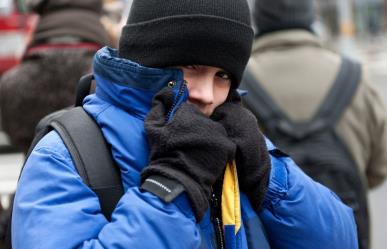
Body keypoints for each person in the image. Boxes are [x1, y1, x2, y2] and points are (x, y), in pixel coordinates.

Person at [12, 1, 357, 249]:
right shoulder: (64, 154)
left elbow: (341, 240)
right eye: (191, 68)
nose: (207, 93)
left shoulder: (230, 134)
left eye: (223, 75)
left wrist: (270, 175)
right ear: (146, 59)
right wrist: (172, 187)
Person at [244, 0, 387, 248]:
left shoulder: (234, 84)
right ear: (310, 17)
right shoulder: (354, 78)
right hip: (347, 236)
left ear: (259, 19)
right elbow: (378, 168)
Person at [0, 0, 111, 154]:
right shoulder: (104, 80)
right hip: (95, 165)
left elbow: (13, 132)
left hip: (35, 163)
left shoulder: (12, 84)